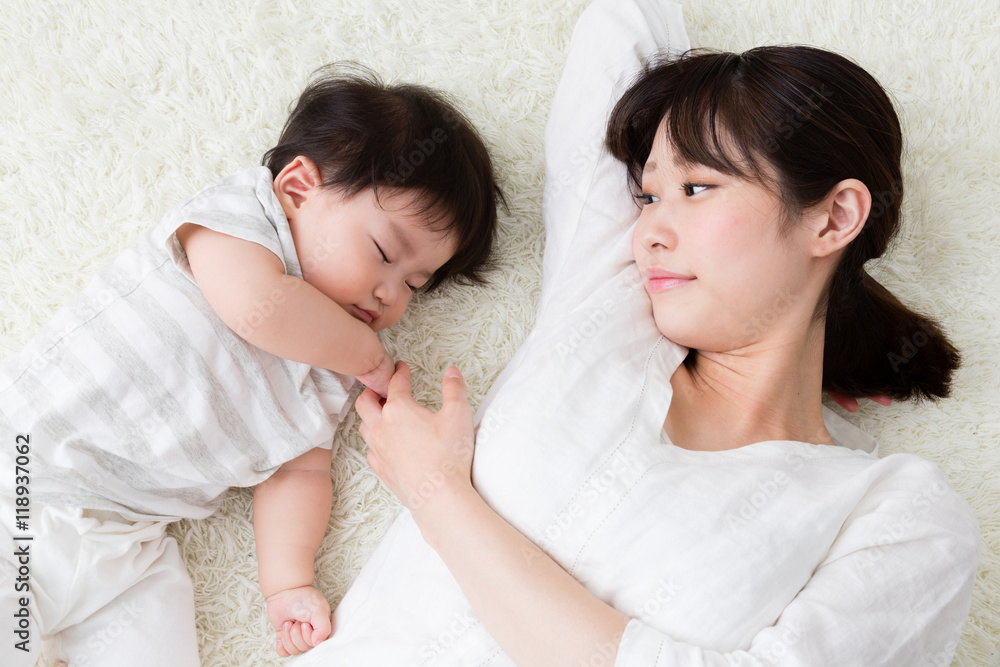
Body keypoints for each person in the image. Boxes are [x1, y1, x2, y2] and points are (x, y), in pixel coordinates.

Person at [290, 0, 980, 665]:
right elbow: (624, 24)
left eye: (700, 188)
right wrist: (711, 93)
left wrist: (439, 495)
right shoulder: (611, 307)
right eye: (648, 193)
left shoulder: (899, 516)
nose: (650, 227)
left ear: (833, 219)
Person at [0, 65, 503, 665]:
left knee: (157, 632)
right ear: (297, 189)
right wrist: (363, 353)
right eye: (384, 253)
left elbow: (297, 474)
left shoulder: (331, 377)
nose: (389, 295)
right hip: (30, 480)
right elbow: (253, 311)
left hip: (129, 544)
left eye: (414, 285)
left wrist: (287, 582)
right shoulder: (243, 220)